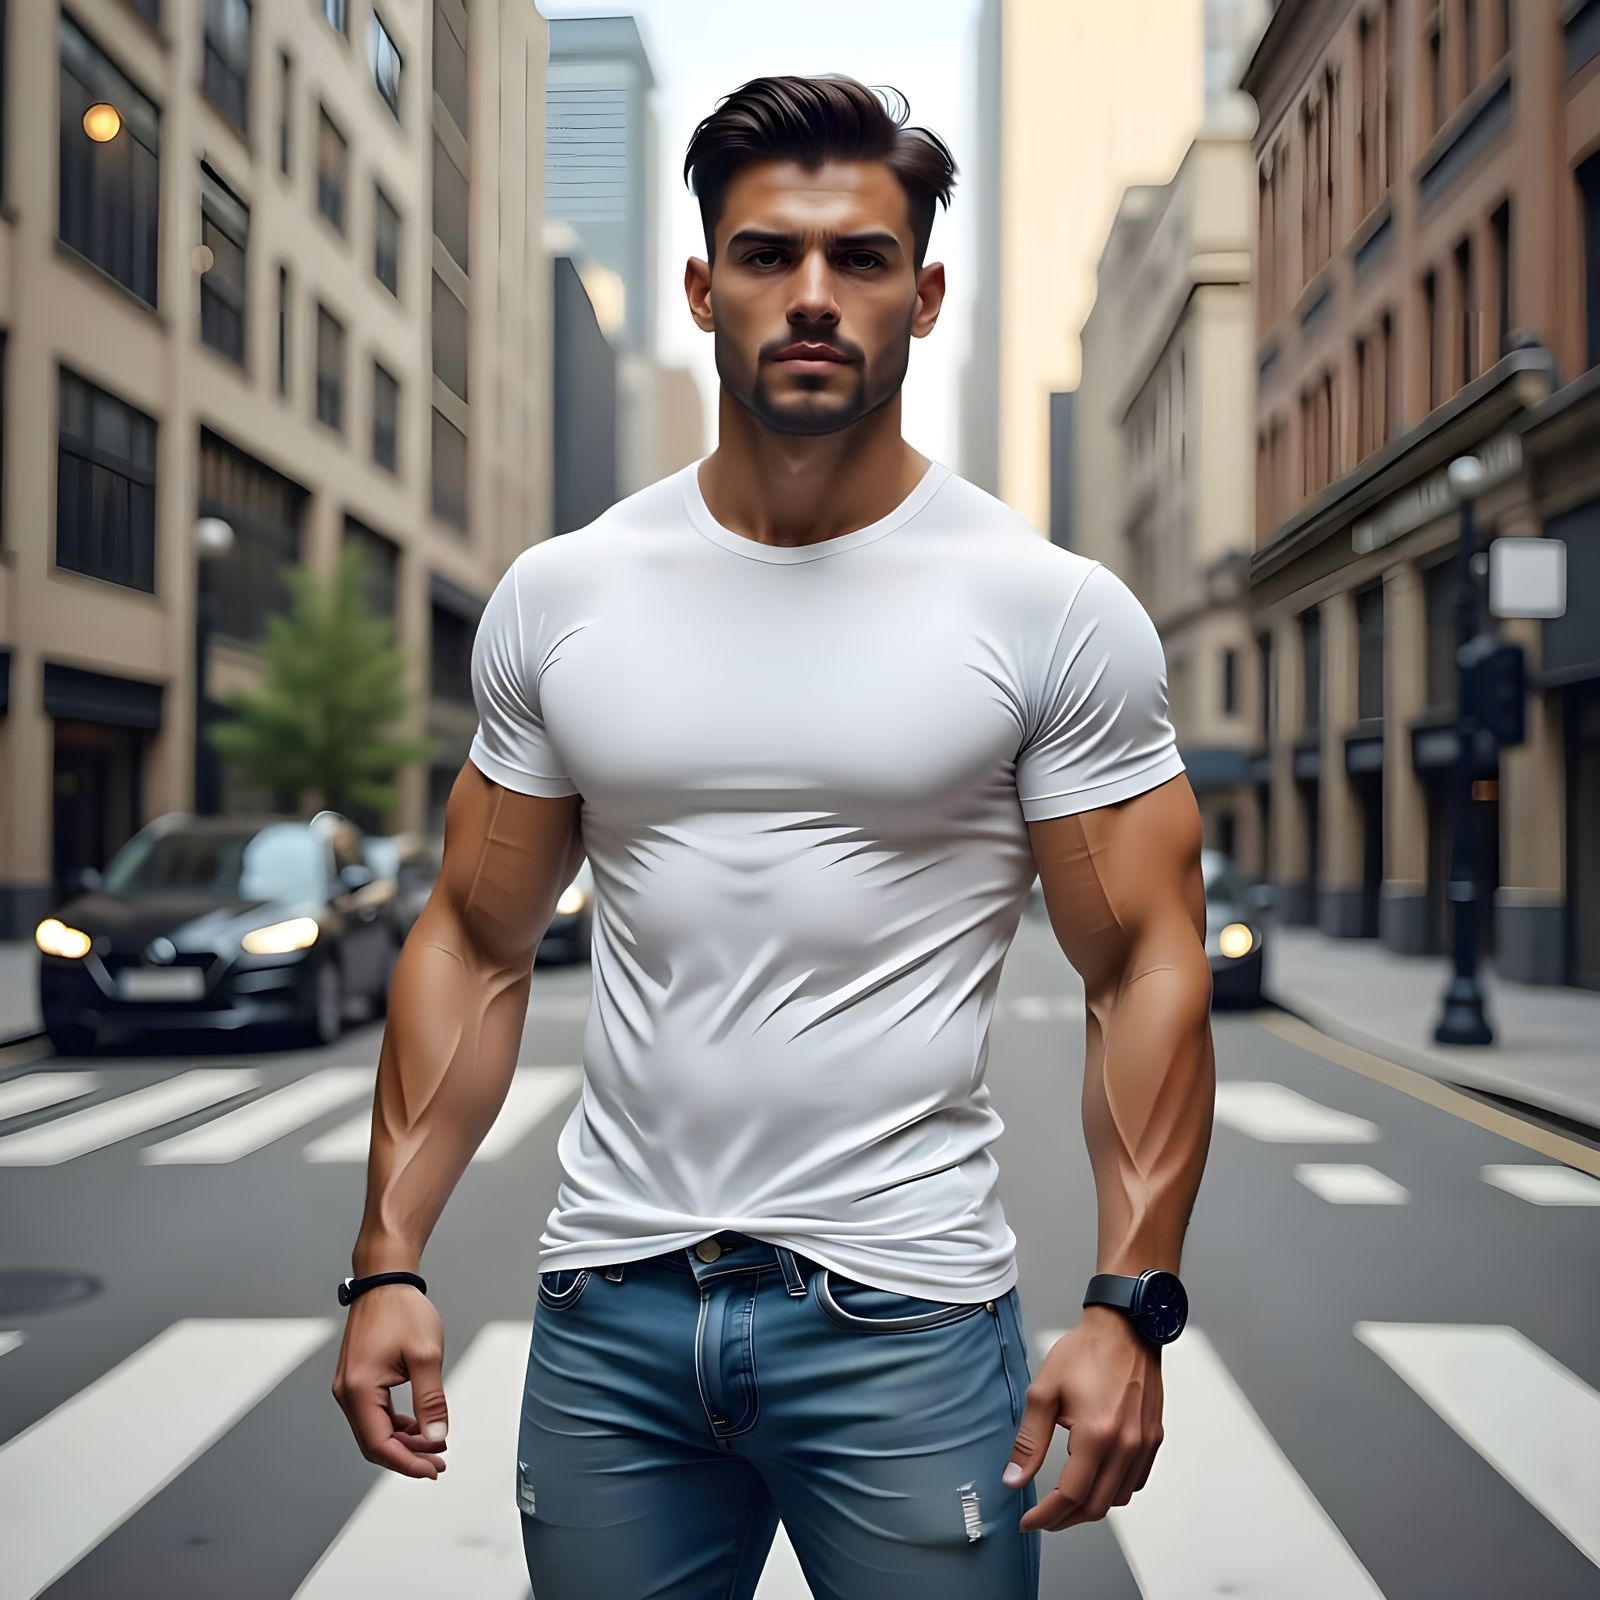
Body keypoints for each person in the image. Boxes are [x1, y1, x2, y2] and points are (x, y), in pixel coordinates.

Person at [331, 73, 1215, 1600]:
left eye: (861, 259)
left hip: (908, 1322)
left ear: (924, 294)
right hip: (611, 1317)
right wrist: (388, 1256)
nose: (812, 296)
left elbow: (1143, 959)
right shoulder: (566, 595)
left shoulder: (1047, 610)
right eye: (767, 256)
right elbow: (475, 940)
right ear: (703, 285)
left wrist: (1128, 1304)